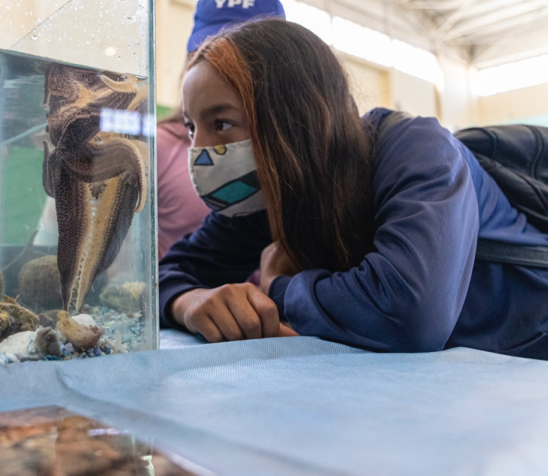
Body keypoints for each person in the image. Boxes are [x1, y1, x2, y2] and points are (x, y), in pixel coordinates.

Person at [159, 18, 548, 360]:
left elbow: (411, 313)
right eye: (192, 128)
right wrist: (188, 302)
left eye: (222, 124)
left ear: (292, 117)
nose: (200, 150)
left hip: (525, 365)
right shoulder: (272, 195)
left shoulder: (418, 150)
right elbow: (166, 274)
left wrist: (279, 286)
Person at [157, 0, 285, 258]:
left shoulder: (295, 157)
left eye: (248, 55)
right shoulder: (158, 148)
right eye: (208, 49)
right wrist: (184, 295)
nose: (223, 62)